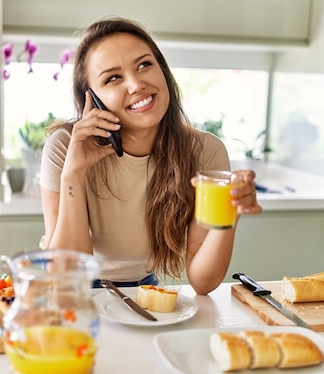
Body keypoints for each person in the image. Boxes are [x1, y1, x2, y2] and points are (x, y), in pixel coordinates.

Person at [39, 17, 262, 295]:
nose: (136, 84)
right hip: (75, 293)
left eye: (144, 64)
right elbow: (67, 274)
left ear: (162, 71)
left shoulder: (205, 152)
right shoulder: (65, 146)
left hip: (143, 289)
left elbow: (203, 282)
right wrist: (73, 172)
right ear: (92, 100)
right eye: (113, 78)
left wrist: (229, 212)